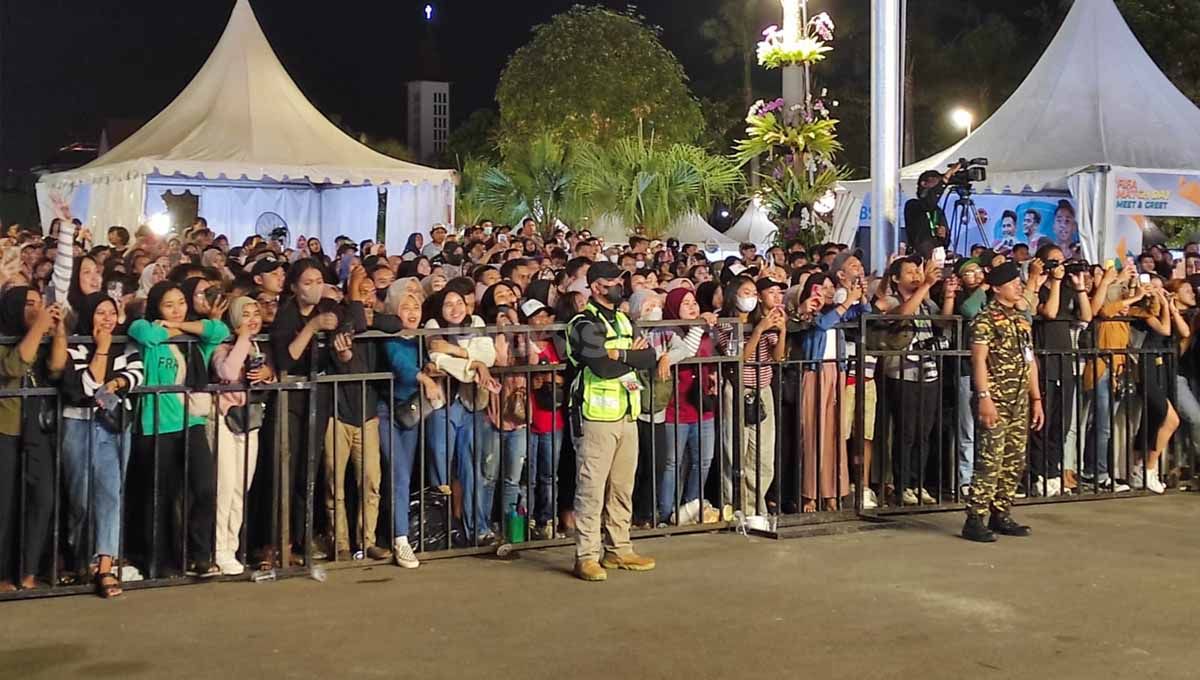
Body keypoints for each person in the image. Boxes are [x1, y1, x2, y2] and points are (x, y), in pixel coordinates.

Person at [128, 280, 229, 577]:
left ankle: (199, 555)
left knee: (205, 488)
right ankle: (158, 562)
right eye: (168, 305)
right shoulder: (141, 325)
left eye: (181, 303)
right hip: (156, 424)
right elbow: (148, 336)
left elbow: (219, 331)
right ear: (156, 306)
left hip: (191, 422)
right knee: (160, 497)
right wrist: (186, 328)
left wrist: (182, 326)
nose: (176, 310)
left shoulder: (192, 339)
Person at [565, 260, 657, 581]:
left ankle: (619, 549)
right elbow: (600, 367)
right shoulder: (582, 322)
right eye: (613, 281)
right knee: (591, 488)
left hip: (626, 413)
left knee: (621, 487)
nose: (620, 285)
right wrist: (625, 356)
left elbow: (649, 358)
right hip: (595, 415)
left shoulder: (623, 319)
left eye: (621, 279)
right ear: (596, 287)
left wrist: (620, 355)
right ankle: (586, 555)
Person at [60, 293, 143, 597]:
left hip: (113, 425)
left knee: (110, 492)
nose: (107, 319)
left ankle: (105, 565)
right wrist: (104, 350)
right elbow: (88, 385)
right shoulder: (75, 345)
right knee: (80, 497)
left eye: (111, 312)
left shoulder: (126, 343)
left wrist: (118, 382)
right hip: (78, 424)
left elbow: (136, 374)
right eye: (100, 313)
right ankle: (80, 558)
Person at [963, 261, 1045, 542]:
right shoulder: (985, 320)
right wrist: (984, 397)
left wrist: (1036, 398)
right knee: (990, 459)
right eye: (1012, 283)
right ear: (997, 288)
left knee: (1013, 458)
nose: (1018, 286)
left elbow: (1029, 359)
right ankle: (975, 516)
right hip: (995, 397)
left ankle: (1001, 511)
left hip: (1018, 400)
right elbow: (978, 360)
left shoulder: (1021, 320)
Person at [0, 289, 65, 592]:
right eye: (29, 305)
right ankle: (3, 575)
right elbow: (14, 366)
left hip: (37, 431)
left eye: (40, 305)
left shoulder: (40, 338)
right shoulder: (4, 338)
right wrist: (39, 326)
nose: (36, 310)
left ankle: (28, 571)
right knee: (5, 506)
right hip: (6, 430)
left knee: (42, 499)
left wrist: (58, 328)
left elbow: (57, 366)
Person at [209, 297, 275, 575]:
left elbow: (265, 378)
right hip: (225, 420)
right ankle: (218, 548)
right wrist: (243, 340)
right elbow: (225, 372)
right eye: (245, 314)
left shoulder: (259, 347)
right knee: (224, 487)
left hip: (250, 422)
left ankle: (231, 547)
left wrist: (268, 374)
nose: (252, 319)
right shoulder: (223, 348)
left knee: (240, 488)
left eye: (255, 314)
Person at [717, 275, 786, 519]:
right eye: (746, 292)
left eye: (754, 292)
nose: (751, 297)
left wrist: (782, 329)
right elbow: (739, 358)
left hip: (763, 389)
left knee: (764, 456)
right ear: (733, 294)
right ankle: (734, 507)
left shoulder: (763, 320)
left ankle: (756, 506)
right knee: (735, 453)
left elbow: (777, 357)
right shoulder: (725, 324)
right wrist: (757, 331)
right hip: (737, 391)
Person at [903, 165, 958, 258]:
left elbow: (946, 241)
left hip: (937, 256)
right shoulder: (912, 205)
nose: (938, 187)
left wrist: (944, 235)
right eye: (935, 183)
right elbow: (928, 203)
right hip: (919, 257)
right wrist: (945, 179)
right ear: (923, 184)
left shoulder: (937, 210)